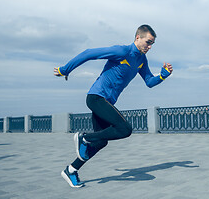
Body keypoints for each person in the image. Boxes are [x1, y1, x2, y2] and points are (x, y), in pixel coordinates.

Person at [54, 25, 173, 188]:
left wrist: (162, 76)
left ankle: (71, 170)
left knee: (101, 142)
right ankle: (84, 137)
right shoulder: (122, 51)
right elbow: (88, 53)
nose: (150, 47)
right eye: (148, 42)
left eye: (152, 44)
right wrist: (64, 69)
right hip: (96, 97)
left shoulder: (141, 60)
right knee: (124, 129)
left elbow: (149, 82)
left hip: (107, 103)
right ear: (138, 37)